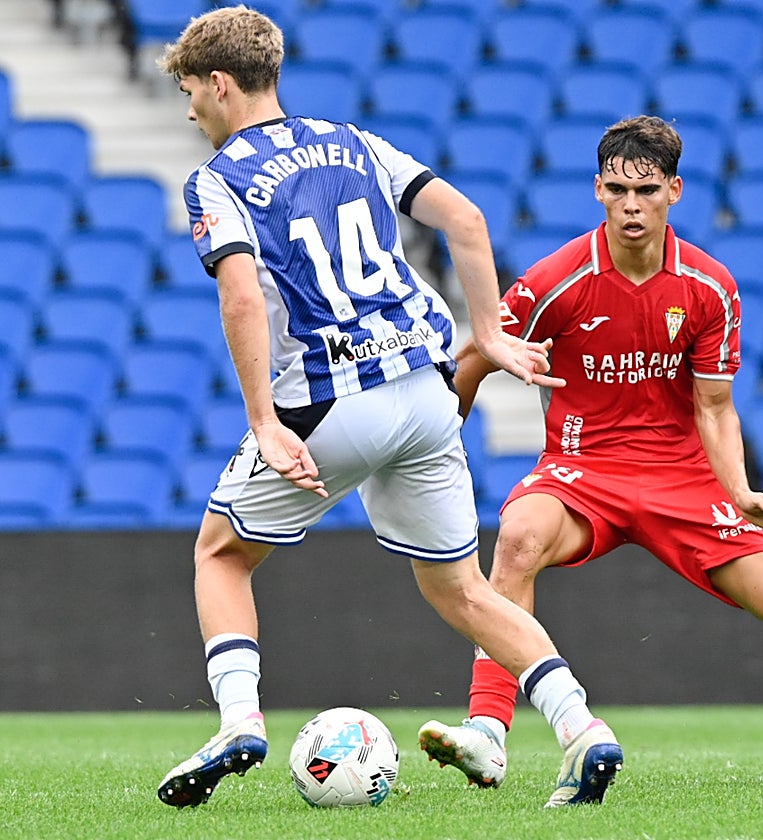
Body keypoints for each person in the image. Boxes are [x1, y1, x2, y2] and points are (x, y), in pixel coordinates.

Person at [153, 6, 622, 810]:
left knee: (220, 554)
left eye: (193, 92)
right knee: (463, 591)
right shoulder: (353, 142)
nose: (190, 109)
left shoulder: (219, 177)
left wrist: (266, 422)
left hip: (332, 403)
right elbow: (467, 221)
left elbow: (240, 294)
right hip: (427, 388)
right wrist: (491, 335)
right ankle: (582, 728)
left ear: (221, 85)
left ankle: (238, 721)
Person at [418, 116, 763, 788]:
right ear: (596, 190)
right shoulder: (556, 280)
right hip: (581, 470)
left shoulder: (709, 288)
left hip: (687, 480)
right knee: (519, 539)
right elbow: (477, 358)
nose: (630, 205)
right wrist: (440, 452)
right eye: (616, 190)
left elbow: (713, 405)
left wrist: (739, 492)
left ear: (674, 190)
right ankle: (487, 735)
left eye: (645, 190)